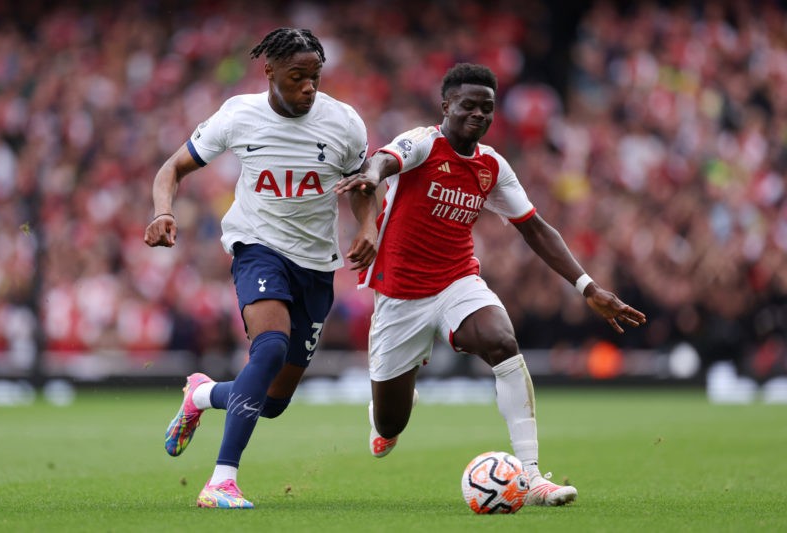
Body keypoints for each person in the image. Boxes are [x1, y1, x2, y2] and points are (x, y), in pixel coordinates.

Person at [334, 63, 646, 506]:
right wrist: (372, 176)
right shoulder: (424, 142)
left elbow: (535, 228)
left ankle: (534, 476)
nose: (478, 114)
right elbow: (385, 159)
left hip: (457, 281)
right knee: (389, 425)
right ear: (446, 106)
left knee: (502, 341)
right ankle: (386, 417)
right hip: (400, 296)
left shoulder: (491, 166)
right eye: (468, 106)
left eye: (487, 107)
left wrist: (587, 287)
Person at [144, 28, 377, 509]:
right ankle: (221, 482)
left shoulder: (345, 124)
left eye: (315, 76)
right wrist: (162, 211)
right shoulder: (239, 115)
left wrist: (369, 226)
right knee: (268, 347)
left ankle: (203, 395)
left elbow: (361, 187)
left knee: (271, 402)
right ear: (267, 71)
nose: (309, 87)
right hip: (258, 247)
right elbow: (171, 169)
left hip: (315, 265)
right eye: (297, 77)